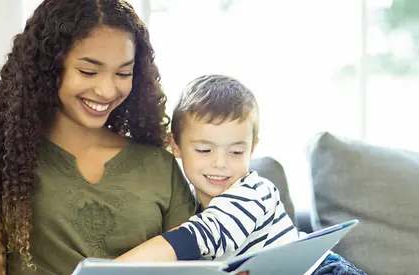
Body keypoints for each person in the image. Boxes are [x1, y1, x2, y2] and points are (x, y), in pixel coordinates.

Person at [0, 1, 197, 274]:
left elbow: (191, 265)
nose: (106, 90)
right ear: (49, 69)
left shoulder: (160, 167)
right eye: (88, 71)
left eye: (123, 73)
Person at [116, 74, 300, 262]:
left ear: (251, 149)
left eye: (236, 152)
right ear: (175, 146)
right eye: (204, 150)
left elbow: (197, 237)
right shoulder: (183, 201)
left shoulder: (255, 193)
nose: (220, 163)